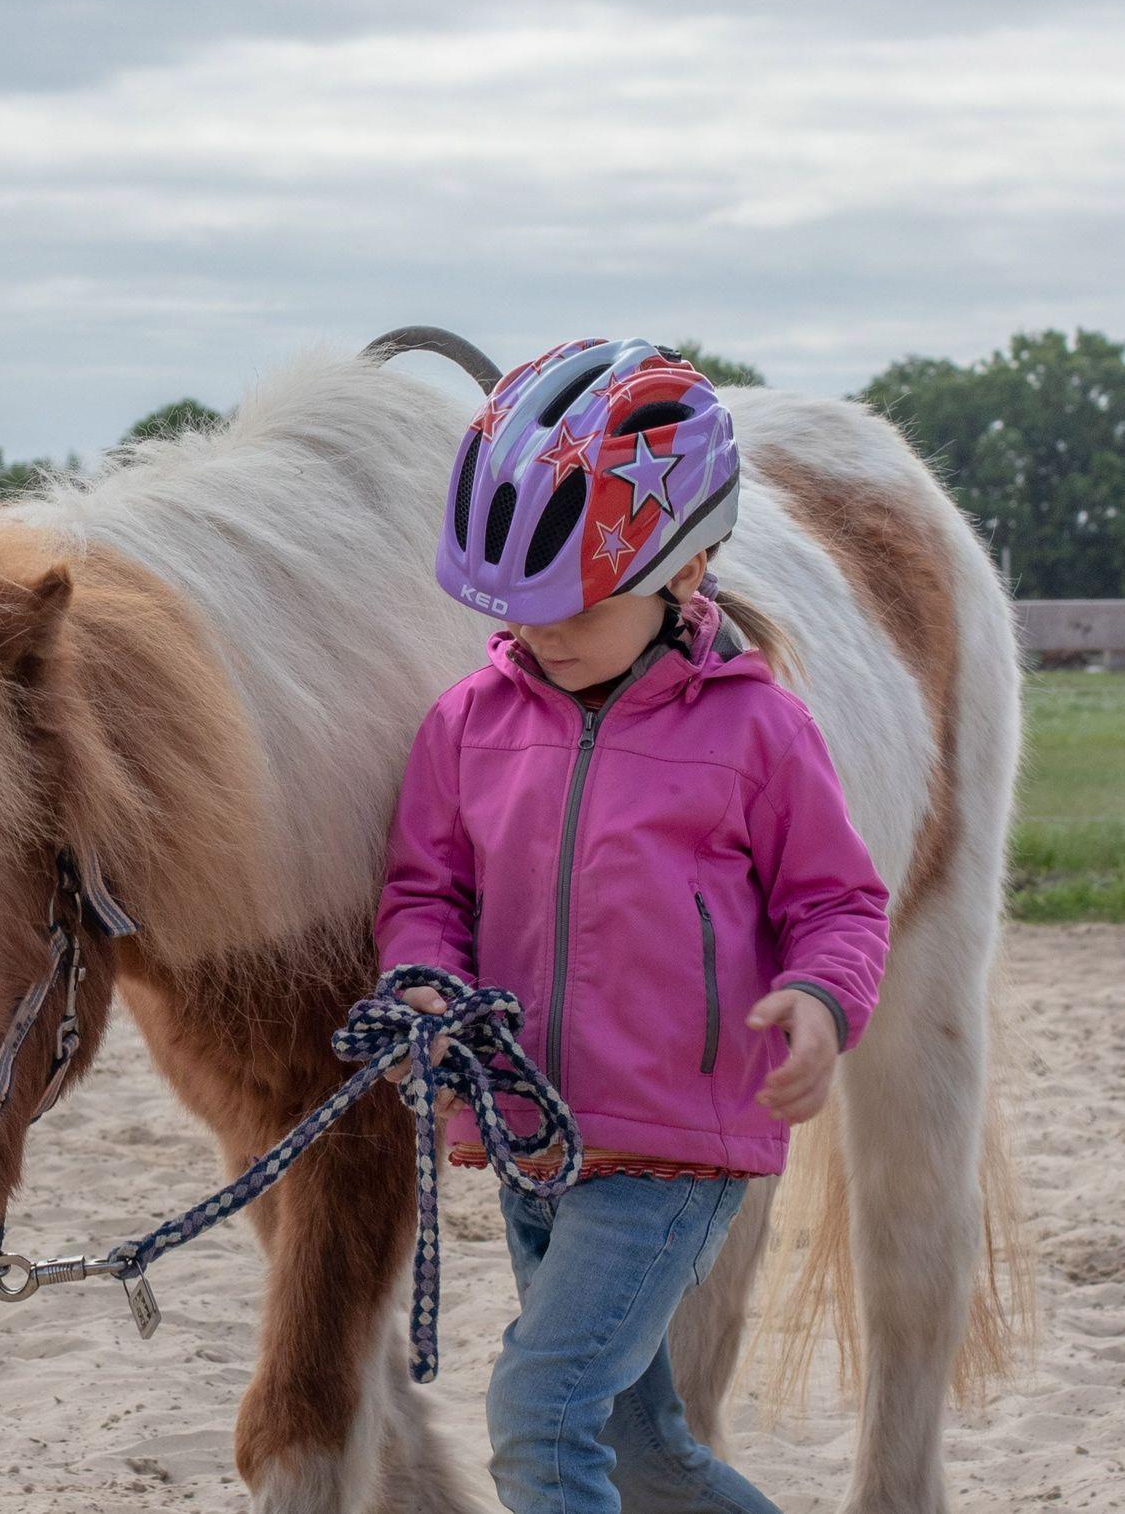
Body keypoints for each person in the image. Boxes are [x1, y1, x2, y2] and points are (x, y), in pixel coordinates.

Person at [376, 337, 891, 1514]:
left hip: (673, 1148)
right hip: (527, 1135)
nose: (541, 633)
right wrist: (420, 978)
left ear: (686, 564)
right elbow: (423, 893)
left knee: (539, 1415)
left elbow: (836, 902)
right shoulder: (464, 723)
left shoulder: (757, 730)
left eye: (575, 604)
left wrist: (820, 999)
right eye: (518, 608)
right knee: (642, 1448)